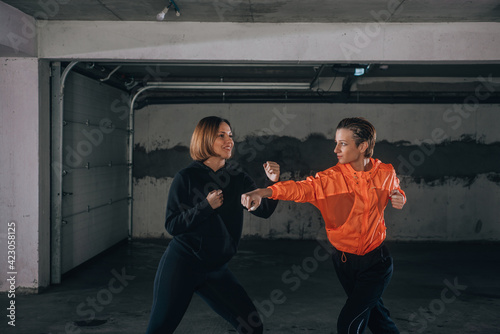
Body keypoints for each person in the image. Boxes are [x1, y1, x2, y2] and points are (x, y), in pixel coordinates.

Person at [241, 117, 406, 334]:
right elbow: (298, 189)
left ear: (363, 146)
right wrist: (262, 192)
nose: (336, 149)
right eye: (336, 142)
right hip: (344, 263)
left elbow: (396, 189)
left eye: (343, 143)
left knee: (348, 324)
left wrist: (400, 197)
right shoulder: (329, 180)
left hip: (377, 262)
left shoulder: (386, 172)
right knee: (377, 318)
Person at [146, 116, 280, 334]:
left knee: (253, 327)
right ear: (205, 139)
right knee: (159, 330)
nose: (229, 140)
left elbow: (264, 211)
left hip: (216, 269)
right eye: (222, 135)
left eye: (230, 135)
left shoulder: (238, 178)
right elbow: (172, 225)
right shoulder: (186, 177)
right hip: (182, 265)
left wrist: (273, 185)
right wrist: (205, 207)